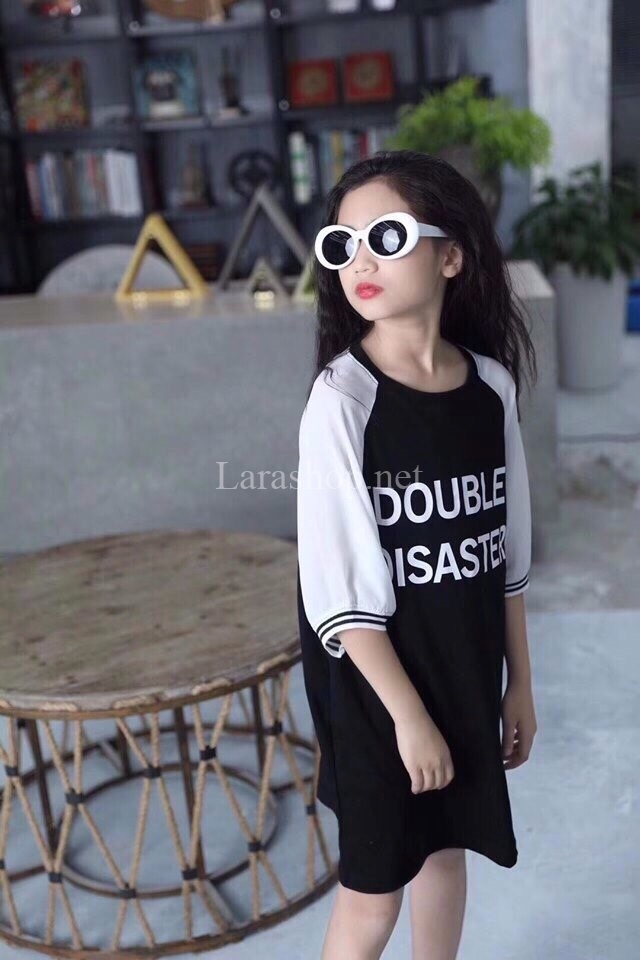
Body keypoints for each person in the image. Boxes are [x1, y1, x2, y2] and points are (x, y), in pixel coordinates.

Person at [295, 149, 539, 960]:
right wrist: (408, 719)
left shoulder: (491, 389)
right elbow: (338, 593)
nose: (359, 262)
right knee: (373, 898)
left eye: (386, 237)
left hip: (463, 668)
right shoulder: (343, 399)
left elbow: (505, 556)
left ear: (451, 255)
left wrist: (519, 684)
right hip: (377, 690)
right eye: (342, 245)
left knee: (445, 853)